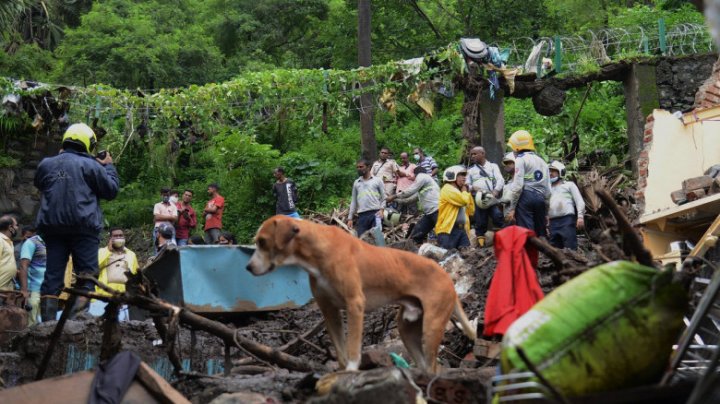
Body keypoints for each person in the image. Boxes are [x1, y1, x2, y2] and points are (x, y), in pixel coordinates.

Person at [34, 123, 119, 321]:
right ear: (88, 143)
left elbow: (40, 182)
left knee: (53, 276)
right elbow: (111, 190)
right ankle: (75, 325)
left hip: (53, 228)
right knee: (86, 275)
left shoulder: (46, 163)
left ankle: (46, 325)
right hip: (84, 228)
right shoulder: (92, 166)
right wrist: (108, 166)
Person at [505, 130, 551, 238]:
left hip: (526, 197)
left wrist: (512, 208)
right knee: (541, 232)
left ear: (517, 147)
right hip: (541, 198)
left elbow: (517, 187)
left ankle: (527, 254)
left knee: (526, 232)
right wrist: (547, 211)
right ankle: (542, 254)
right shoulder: (542, 162)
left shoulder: (521, 160)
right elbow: (548, 190)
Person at [91, 228, 139, 321]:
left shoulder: (131, 254)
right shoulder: (101, 252)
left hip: (124, 298)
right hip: (103, 297)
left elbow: (135, 274)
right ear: (110, 238)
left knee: (122, 327)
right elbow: (95, 267)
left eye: (120, 236)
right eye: (115, 236)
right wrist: (109, 251)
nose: (118, 238)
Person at [387, 166, 439, 244]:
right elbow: (408, 200)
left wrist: (394, 196)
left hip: (437, 211)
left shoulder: (422, 176)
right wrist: (394, 200)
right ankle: (416, 251)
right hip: (429, 214)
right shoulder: (423, 188)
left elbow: (409, 191)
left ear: (416, 174)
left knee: (443, 235)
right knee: (416, 234)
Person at [467, 146, 505, 245]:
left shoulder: (493, 166)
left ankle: (507, 238)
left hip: (491, 197)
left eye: (475, 154)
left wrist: (495, 191)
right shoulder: (470, 170)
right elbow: (466, 184)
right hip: (478, 198)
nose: (472, 156)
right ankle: (482, 245)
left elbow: (500, 180)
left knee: (497, 216)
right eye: (471, 154)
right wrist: (473, 188)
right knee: (480, 221)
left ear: (483, 154)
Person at [548, 161, 585, 250]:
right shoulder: (547, 188)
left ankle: (574, 263)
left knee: (570, 246)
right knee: (555, 249)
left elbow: (579, 201)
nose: (550, 173)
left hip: (566, 220)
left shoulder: (569, 185)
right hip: (552, 222)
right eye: (549, 171)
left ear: (561, 172)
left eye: (553, 171)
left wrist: (580, 217)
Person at [435, 166, 475, 250]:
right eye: (461, 175)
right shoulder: (447, 189)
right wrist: (464, 191)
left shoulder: (461, 192)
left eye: (465, 175)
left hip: (461, 230)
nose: (464, 178)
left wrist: (467, 192)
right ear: (451, 177)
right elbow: (463, 201)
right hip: (448, 230)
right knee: (447, 258)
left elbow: (471, 211)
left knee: (466, 255)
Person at [347, 158, 386, 239]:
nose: (359, 169)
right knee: (361, 239)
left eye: (361, 167)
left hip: (376, 214)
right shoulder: (356, 183)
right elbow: (353, 201)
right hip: (362, 215)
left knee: (377, 238)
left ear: (368, 167)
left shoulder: (377, 180)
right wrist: (350, 218)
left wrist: (382, 210)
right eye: (357, 167)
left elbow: (384, 197)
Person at [18, 231, 46, 326]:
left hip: (49, 290)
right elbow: (23, 265)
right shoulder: (31, 242)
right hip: (33, 289)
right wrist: (24, 290)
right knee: (31, 322)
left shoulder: (55, 243)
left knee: (47, 323)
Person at [0, 215, 19, 291]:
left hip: (6, 289)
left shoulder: (7, 241)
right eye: (16, 225)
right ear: (10, 228)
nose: (17, 228)